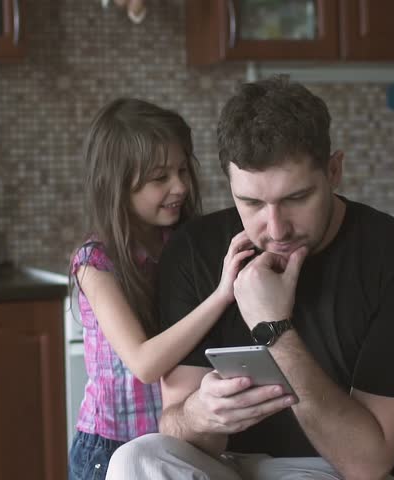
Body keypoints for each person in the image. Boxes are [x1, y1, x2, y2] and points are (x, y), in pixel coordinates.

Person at [106, 77, 394, 480]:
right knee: (135, 460)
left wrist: (274, 330)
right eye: (251, 202)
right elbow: (176, 424)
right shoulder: (195, 250)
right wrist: (202, 414)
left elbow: (366, 462)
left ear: (334, 170)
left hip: (335, 471)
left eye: (296, 198)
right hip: (228, 466)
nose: (275, 228)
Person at [68, 98, 255, 480]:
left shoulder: (182, 246)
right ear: (116, 185)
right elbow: (145, 363)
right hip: (109, 448)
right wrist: (221, 294)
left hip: (170, 445)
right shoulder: (95, 263)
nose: (180, 187)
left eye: (183, 170)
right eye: (159, 178)